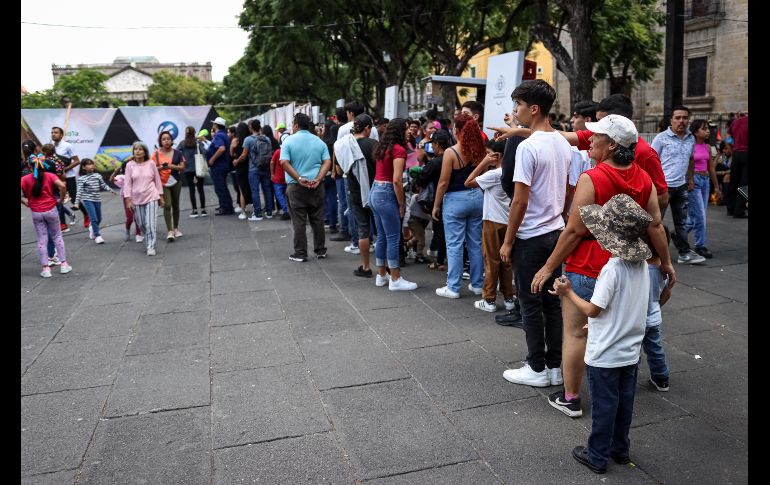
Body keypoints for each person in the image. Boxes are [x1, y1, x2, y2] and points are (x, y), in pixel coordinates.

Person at [530, 114, 674, 418]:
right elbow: (656, 226)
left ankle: (571, 398)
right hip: (630, 268)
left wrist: (548, 267)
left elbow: (574, 230)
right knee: (619, 332)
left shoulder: (592, 178)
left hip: (587, 266)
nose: (589, 138)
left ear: (611, 145)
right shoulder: (644, 178)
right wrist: (666, 263)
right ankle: (614, 396)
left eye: (596, 135)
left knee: (577, 333)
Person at [549, 194, 652, 475]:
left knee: (605, 405)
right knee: (623, 404)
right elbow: (624, 308)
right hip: (629, 352)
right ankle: (620, 448)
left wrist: (567, 292)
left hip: (605, 354)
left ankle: (596, 455)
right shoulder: (641, 267)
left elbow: (593, 309)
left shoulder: (612, 269)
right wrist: (595, 324)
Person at [497, 80, 571, 389]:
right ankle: (554, 366)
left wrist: (508, 241)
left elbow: (520, 200)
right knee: (552, 303)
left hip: (531, 236)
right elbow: (567, 190)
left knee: (530, 303)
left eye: (519, 106)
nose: (516, 111)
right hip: (555, 232)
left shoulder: (529, 147)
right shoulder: (562, 143)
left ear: (534, 108)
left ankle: (537, 367)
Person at [431, 112, 486, 299]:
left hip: (455, 200)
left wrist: (436, 205)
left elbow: (443, 183)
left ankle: (453, 287)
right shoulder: (481, 150)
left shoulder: (451, 152)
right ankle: (478, 284)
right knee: (476, 243)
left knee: (454, 244)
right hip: (478, 198)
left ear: (456, 130)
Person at [464, 141, 517, 314]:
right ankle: (509, 297)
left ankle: (489, 299)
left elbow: (468, 182)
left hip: (492, 222)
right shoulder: (512, 172)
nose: (486, 155)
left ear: (497, 156)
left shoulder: (494, 174)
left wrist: (484, 163)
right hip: (509, 222)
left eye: (489, 153)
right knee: (506, 262)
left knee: (491, 261)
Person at [368, 118, 418, 291]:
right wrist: (401, 203)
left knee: (382, 236)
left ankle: (382, 275)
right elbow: (397, 180)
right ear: (399, 131)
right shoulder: (398, 149)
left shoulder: (383, 147)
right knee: (393, 238)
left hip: (375, 190)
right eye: (405, 129)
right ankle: (395, 278)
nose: (408, 132)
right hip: (387, 192)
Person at [651, 106, 705, 264]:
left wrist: (691, 179)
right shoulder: (661, 138)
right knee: (655, 221)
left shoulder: (691, 138)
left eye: (685, 118)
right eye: (678, 118)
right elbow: (651, 161)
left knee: (681, 222)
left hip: (681, 186)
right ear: (671, 120)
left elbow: (690, 160)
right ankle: (651, 253)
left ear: (689, 120)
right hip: (662, 187)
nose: (681, 121)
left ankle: (684, 253)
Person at [280, 113, 332, 262]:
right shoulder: (319, 141)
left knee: (298, 221)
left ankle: (300, 252)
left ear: (296, 125)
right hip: (316, 186)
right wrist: (318, 179)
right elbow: (327, 162)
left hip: (296, 187)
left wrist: (299, 178)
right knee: (318, 219)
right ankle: (320, 250)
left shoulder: (288, 141)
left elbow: (284, 162)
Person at [334, 114, 378, 277]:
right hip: (375, 190)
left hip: (354, 191)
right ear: (367, 128)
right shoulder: (374, 145)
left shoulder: (343, 145)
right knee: (380, 230)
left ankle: (365, 267)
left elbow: (339, 171)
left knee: (363, 229)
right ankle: (384, 268)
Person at [21, 153, 74, 277]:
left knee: (42, 240)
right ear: (43, 164)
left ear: (29, 166)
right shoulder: (50, 176)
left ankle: (46, 269)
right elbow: (62, 186)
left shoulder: (24, 179)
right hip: (51, 210)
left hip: (36, 213)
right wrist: (61, 199)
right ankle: (64, 265)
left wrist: (24, 201)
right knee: (57, 237)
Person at [685, 120, 721, 259]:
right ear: (695, 132)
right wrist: (691, 180)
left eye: (708, 129)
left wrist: (716, 186)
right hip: (694, 182)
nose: (708, 131)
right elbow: (689, 166)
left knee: (699, 214)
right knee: (700, 215)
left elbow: (711, 167)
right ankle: (700, 245)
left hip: (705, 181)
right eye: (704, 129)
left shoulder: (707, 147)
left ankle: (679, 233)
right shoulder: (690, 146)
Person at [643, 227, 672, 392]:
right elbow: (666, 294)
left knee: (633, 350)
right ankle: (662, 378)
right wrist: (656, 307)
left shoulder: (639, 268)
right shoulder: (664, 270)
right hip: (653, 317)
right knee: (655, 349)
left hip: (637, 318)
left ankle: (629, 380)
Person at [123, 141, 165, 256]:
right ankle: (150, 236)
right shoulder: (129, 165)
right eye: (136, 149)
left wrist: (161, 197)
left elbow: (157, 180)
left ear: (145, 152)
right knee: (141, 224)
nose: (137, 151)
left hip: (151, 196)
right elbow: (127, 183)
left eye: (140, 149)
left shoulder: (151, 163)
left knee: (150, 223)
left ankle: (150, 245)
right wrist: (128, 200)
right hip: (136, 199)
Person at [51, 126, 88, 229]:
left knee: (74, 199)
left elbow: (77, 161)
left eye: (56, 132)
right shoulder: (51, 147)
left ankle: (86, 215)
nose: (53, 134)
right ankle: (62, 223)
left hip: (69, 176)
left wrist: (65, 169)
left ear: (61, 135)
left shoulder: (67, 146)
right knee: (58, 199)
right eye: (52, 132)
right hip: (57, 178)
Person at [153, 131, 186, 242]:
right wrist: (161, 168)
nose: (166, 141)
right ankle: (170, 231)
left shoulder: (178, 153)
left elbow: (182, 167)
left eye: (168, 139)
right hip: (162, 183)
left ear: (171, 140)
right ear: (160, 141)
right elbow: (151, 169)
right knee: (167, 205)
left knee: (176, 205)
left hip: (176, 181)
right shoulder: (156, 154)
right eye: (164, 139)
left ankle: (176, 228)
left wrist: (172, 166)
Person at [238, 120, 274, 221]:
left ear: (250, 128)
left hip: (254, 169)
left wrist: (236, 161)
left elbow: (244, 155)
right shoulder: (267, 138)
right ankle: (269, 212)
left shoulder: (248, 140)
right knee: (267, 190)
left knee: (255, 191)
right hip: (266, 167)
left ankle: (257, 214)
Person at [74, 158, 116, 244]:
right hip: (88, 200)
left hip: (97, 199)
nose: (91, 166)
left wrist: (110, 189)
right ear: (83, 167)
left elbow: (103, 185)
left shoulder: (97, 175)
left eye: (92, 164)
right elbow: (79, 191)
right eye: (88, 164)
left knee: (99, 218)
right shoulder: (81, 179)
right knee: (93, 218)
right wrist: (76, 203)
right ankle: (97, 235)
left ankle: (92, 228)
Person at [177, 126, 207, 218]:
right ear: (194, 133)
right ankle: (203, 210)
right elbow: (204, 152)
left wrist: (184, 158)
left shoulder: (182, 143)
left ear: (186, 133)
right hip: (199, 168)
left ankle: (194, 210)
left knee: (191, 189)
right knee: (200, 189)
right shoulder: (198, 142)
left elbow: (177, 153)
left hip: (187, 169)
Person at [110, 159, 143, 241]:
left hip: (138, 197)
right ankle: (128, 230)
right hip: (127, 198)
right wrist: (115, 172)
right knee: (130, 218)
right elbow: (111, 179)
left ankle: (138, 234)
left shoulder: (138, 176)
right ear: (124, 169)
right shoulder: (122, 177)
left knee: (138, 217)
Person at [207, 117, 235, 215]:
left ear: (216, 125)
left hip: (218, 166)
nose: (213, 125)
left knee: (220, 187)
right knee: (223, 187)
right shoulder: (223, 135)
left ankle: (225, 208)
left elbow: (221, 148)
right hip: (223, 165)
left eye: (214, 123)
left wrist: (212, 159)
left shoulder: (219, 136)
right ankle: (228, 206)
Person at [265, 125, 290, 220]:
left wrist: (272, 174)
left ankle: (286, 211)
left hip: (278, 179)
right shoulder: (290, 151)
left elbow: (272, 162)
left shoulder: (278, 152)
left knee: (279, 196)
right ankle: (287, 210)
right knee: (286, 195)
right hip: (287, 177)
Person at [727, 113, 748, 218]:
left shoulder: (736, 121)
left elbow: (727, 138)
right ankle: (739, 210)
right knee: (745, 184)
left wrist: (732, 151)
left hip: (736, 154)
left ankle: (730, 208)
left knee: (734, 182)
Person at [231, 122, 254, 219]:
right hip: (250, 166)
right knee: (251, 188)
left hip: (240, 168)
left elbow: (231, 154)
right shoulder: (250, 139)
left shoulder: (236, 140)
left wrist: (232, 146)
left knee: (241, 190)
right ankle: (254, 208)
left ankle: (243, 211)